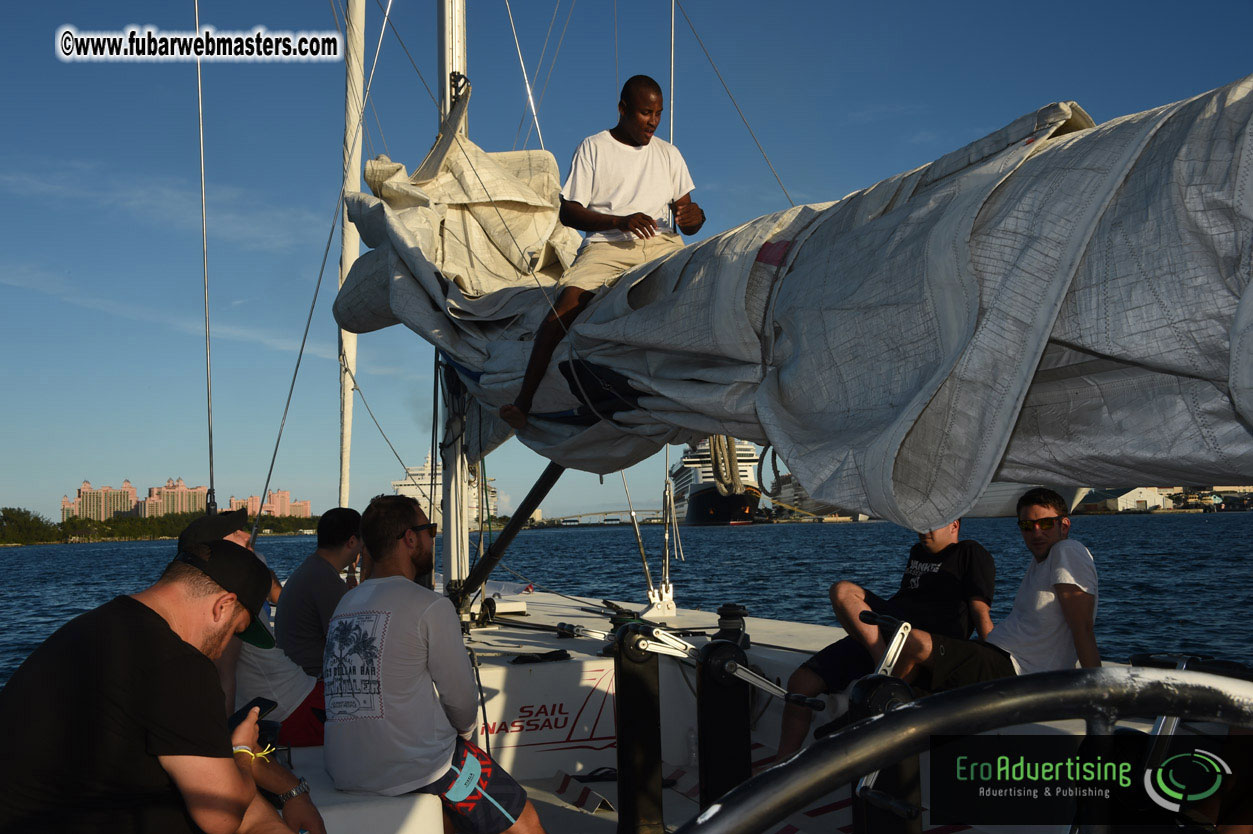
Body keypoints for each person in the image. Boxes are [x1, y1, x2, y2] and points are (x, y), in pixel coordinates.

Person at [0, 537, 300, 834]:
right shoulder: (179, 664)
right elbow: (221, 817)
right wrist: (242, 750)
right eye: (235, 630)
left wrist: (289, 793)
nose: (222, 650)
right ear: (223, 606)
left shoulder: (90, 628)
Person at [324, 495, 547, 834]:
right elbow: (461, 703)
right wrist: (464, 737)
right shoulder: (430, 606)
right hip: (415, 766)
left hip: (345, 768)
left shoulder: (345, 604)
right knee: (526, 822)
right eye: (429, 530)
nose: (433, 537)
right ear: (409, 539)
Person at [499, 74, 705, 430]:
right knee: (563, 310)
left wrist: (696, 217)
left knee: (703, 286)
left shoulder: (670, 154)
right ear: (623, 109)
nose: (653, 121)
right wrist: (619, 221)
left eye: (658, 113)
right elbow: (568, 212)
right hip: (607, 246)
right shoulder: (593, 147)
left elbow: (689, 221)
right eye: (645, 113)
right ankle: (523, 402)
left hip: (661, 244)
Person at [775, 519, 995, 760]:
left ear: (954, 525)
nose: (923, 529)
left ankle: (883, 671)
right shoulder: (917, 551)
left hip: (918, 642)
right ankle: (782, 765)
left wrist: (994, 656)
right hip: (887, 631)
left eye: (932, 523)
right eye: (921, 522)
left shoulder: (971, 552)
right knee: (800, 682)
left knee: (844, 590)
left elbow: (980, 610)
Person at [878, 487, 1099, 691]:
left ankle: (880, 704)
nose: (1036, 532)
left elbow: (1083, 628)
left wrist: (1098, 691)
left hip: (1016, 669)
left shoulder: (1067, 550)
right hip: (997, 656)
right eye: (1027, 525)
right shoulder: (1041, 563)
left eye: (1046, 523)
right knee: (921, 677)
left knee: (913, 642)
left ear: (1064, 525)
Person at [186, 510, 327, 749]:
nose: (246, 536)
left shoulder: (237, 578)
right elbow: (224, 675)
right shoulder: (227, 598)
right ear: (216, 548)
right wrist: (226, 748)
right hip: (290, 708)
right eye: (235, 532)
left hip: (295, 692)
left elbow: (275, 591)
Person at [275, 507, 363, 676]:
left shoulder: (312, 569)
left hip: (294, 673)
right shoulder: (326, 580)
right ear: (352, 542)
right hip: (311, 680)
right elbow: (348, 644)